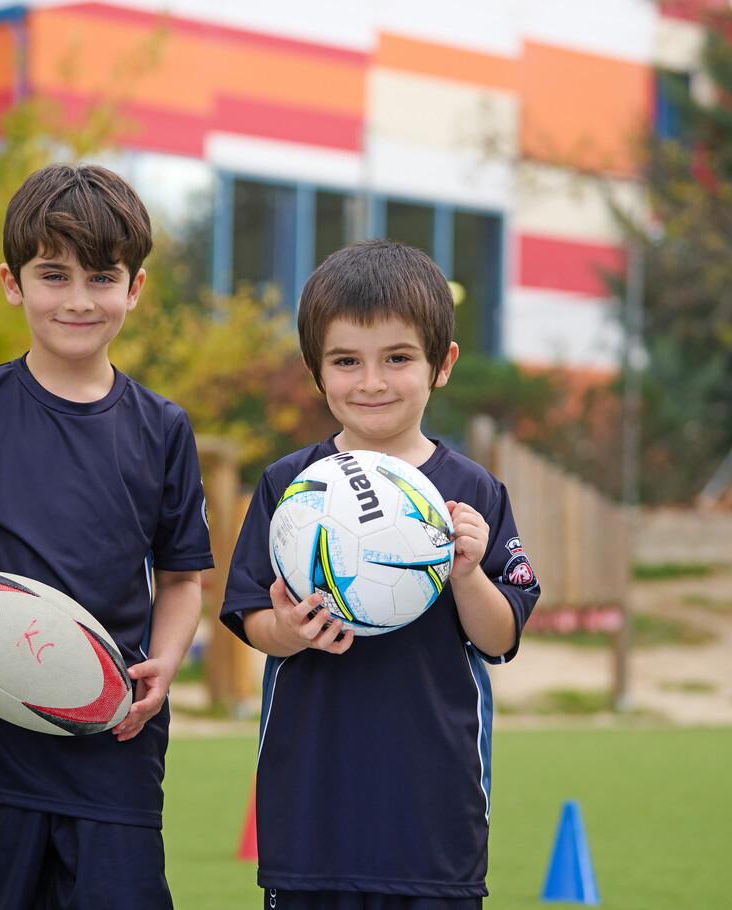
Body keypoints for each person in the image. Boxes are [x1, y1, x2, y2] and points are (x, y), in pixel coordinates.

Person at [0, 163, 213, 910]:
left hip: (115, 746)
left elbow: (181, 581)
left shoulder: (163, 429)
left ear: (135, 288)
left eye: (101, 278)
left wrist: (164, 663)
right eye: (53, 275)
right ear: (13, 282)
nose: (77, 300)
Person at [221, 239, 541, 909]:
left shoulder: (473, 492)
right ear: (317, 371)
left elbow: (499, 636)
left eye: (397, 358)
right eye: (346, 361)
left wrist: (467, 572)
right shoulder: (290, 488)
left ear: (441, 365)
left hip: (433, 815)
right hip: (312, 813)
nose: (371, 382)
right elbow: (250, 616)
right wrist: (291, 629)